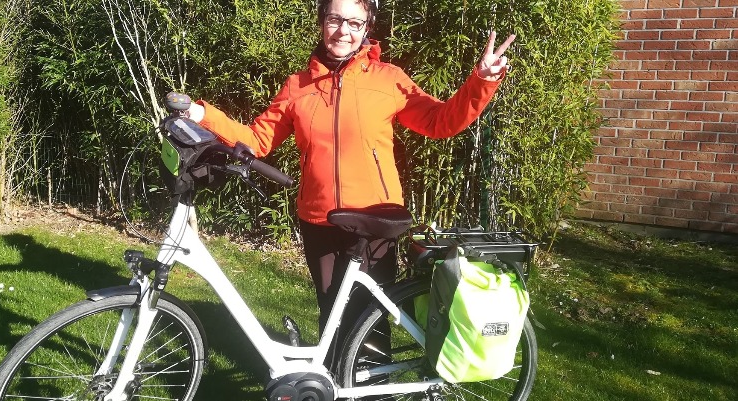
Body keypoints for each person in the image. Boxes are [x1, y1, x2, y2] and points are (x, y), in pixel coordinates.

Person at [186, 0, 515, 351]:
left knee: (369, 318)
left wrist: (481, 81)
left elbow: (440, 121)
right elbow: (258, 139)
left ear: (366, 28)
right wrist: (201, 114)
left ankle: (371, 375)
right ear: (322, 22)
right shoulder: (298, 86)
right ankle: (333, 375)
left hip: (374, 219)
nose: (344, 31)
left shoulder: (389, 79)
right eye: (335, 19)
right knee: (331, 313)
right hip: (320, 218)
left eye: (355, 23)